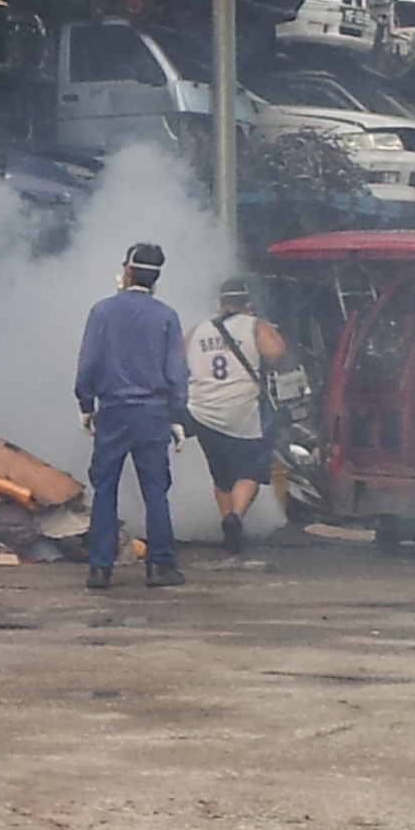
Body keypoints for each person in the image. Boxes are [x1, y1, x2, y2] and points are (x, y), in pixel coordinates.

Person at [76, 240, 187, 591]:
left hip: (112, 412)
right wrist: (177, 416)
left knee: (105, 489)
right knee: (155, 491)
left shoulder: (102, 312)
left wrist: (85, 405)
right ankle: (160, 566)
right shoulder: (167, 316)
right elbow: (176, 373)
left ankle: (100, 569)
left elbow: (88, 365)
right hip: (153, 413)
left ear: (127, 271)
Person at [184, 275, 289, 553]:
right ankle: (236, 516)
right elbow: (276, 352)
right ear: (248, 303)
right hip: (243, 409)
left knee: (221, 474)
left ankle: (228, 524)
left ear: (220, 303)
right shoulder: (256, 325)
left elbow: (179, 362)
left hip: (203, 412)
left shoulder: (197, 330)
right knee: (251, 468)